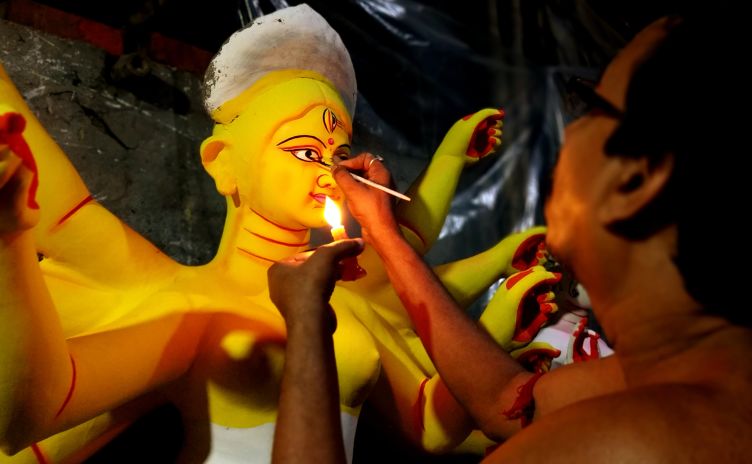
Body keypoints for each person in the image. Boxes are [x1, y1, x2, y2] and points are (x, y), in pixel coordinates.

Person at [1, 4, 569, 462]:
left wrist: (497, 329)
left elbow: (428, 424)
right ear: (223, 162)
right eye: (303, 151)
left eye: (340, 153)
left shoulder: (349, 309)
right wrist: (10, 240)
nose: (329, 170)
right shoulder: (196, 310)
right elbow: (32, 412)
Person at [269, 3, 752, 462]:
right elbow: (504, 400)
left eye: (593, 103)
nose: (573, 128)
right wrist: (386, 235)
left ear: (636, 178)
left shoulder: (608, 445)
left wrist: (309, 324)